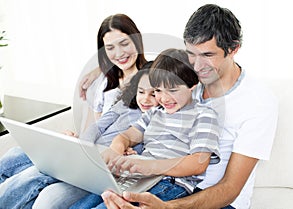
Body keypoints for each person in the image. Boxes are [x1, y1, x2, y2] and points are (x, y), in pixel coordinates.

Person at [100, 4, 278, 209]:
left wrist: (168, 207)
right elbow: (145, 116)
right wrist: (119, 148)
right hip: (156, 180)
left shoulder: (258, 102)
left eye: (208, 55)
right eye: (191, 53)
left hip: (211, 200)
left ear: (233, 49)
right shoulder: (183, 82)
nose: (196, 65)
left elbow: (230, 188)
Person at [69, 48, 220, 209]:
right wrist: (116, 151)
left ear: (192, 85)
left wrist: (148, 166)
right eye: (158, 91)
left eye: (172, 90)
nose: (164, 98)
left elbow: (198, 163)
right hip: (137, 178)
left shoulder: (204, 115)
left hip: (171, 183)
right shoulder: (155, 113)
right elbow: (127, 136)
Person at [0, 65, 158, 209]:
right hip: (84, 152)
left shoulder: (158, 124)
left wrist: (126, 153)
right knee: (17, 160)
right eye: (141, 91)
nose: (145, 99)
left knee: (40, 183)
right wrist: (81, 144)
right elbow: (98, 126)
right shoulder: (125, 106)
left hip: (102, 168)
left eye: (153, 94)